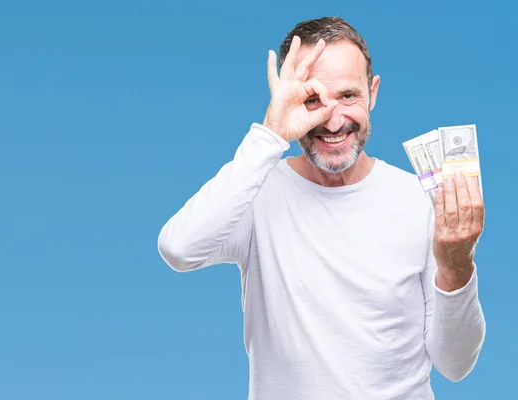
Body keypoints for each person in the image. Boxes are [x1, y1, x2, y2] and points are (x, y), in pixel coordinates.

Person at [157, 16, 486, 400]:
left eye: (348, 96)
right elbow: (178, 249)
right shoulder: (256, 192)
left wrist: (456, 266)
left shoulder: (419, 199)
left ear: (373, 92)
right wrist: (271, 133)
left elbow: (456, 364)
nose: (332, 120)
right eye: (312, 99)